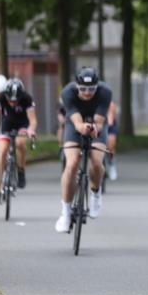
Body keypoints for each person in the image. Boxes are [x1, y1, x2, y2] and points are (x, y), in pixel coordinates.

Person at [54, 68, 112, 232]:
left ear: (97, 86)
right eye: (83, 89)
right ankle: (65, 212)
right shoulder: (68, 92)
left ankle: (95, 192)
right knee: (71, 164)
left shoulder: (105, 92)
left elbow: (100, 121)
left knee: (96, 161)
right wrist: (82, 127)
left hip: (97, 125)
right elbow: (76, 121)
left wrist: (94, 128)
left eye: (91, 89)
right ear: (76, 86)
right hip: (74, 123)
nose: (87, 93)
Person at [0, 78, 37, 203]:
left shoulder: (27, 98)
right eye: (10, 100)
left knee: (20, 143)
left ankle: (21, 171)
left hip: (22, 125)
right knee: (2, 150)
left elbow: (33, 121)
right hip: (7, 125)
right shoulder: (1, 98)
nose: (13, 103)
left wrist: (31, 130)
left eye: (16, 101)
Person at [105, 99, 119, 181]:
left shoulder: (110, 104)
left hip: (109, 126)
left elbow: (110, 120)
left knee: (110, 145)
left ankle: (111, 164)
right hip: (96, 124)